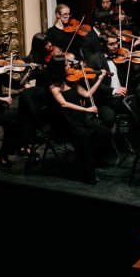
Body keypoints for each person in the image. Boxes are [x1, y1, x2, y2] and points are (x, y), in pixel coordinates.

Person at [45, 55, 111, 184]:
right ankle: (89, 175)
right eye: (66, 65)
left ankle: (84, 159)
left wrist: (99, 79)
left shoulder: (70, 82)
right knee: (85, 137)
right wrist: (86, 109)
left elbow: (87, 94)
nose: (70, 66)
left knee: (105, 133)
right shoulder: (53, 87)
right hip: (65, 123)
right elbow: (64, 104)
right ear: (59, 68)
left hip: (79, 120)